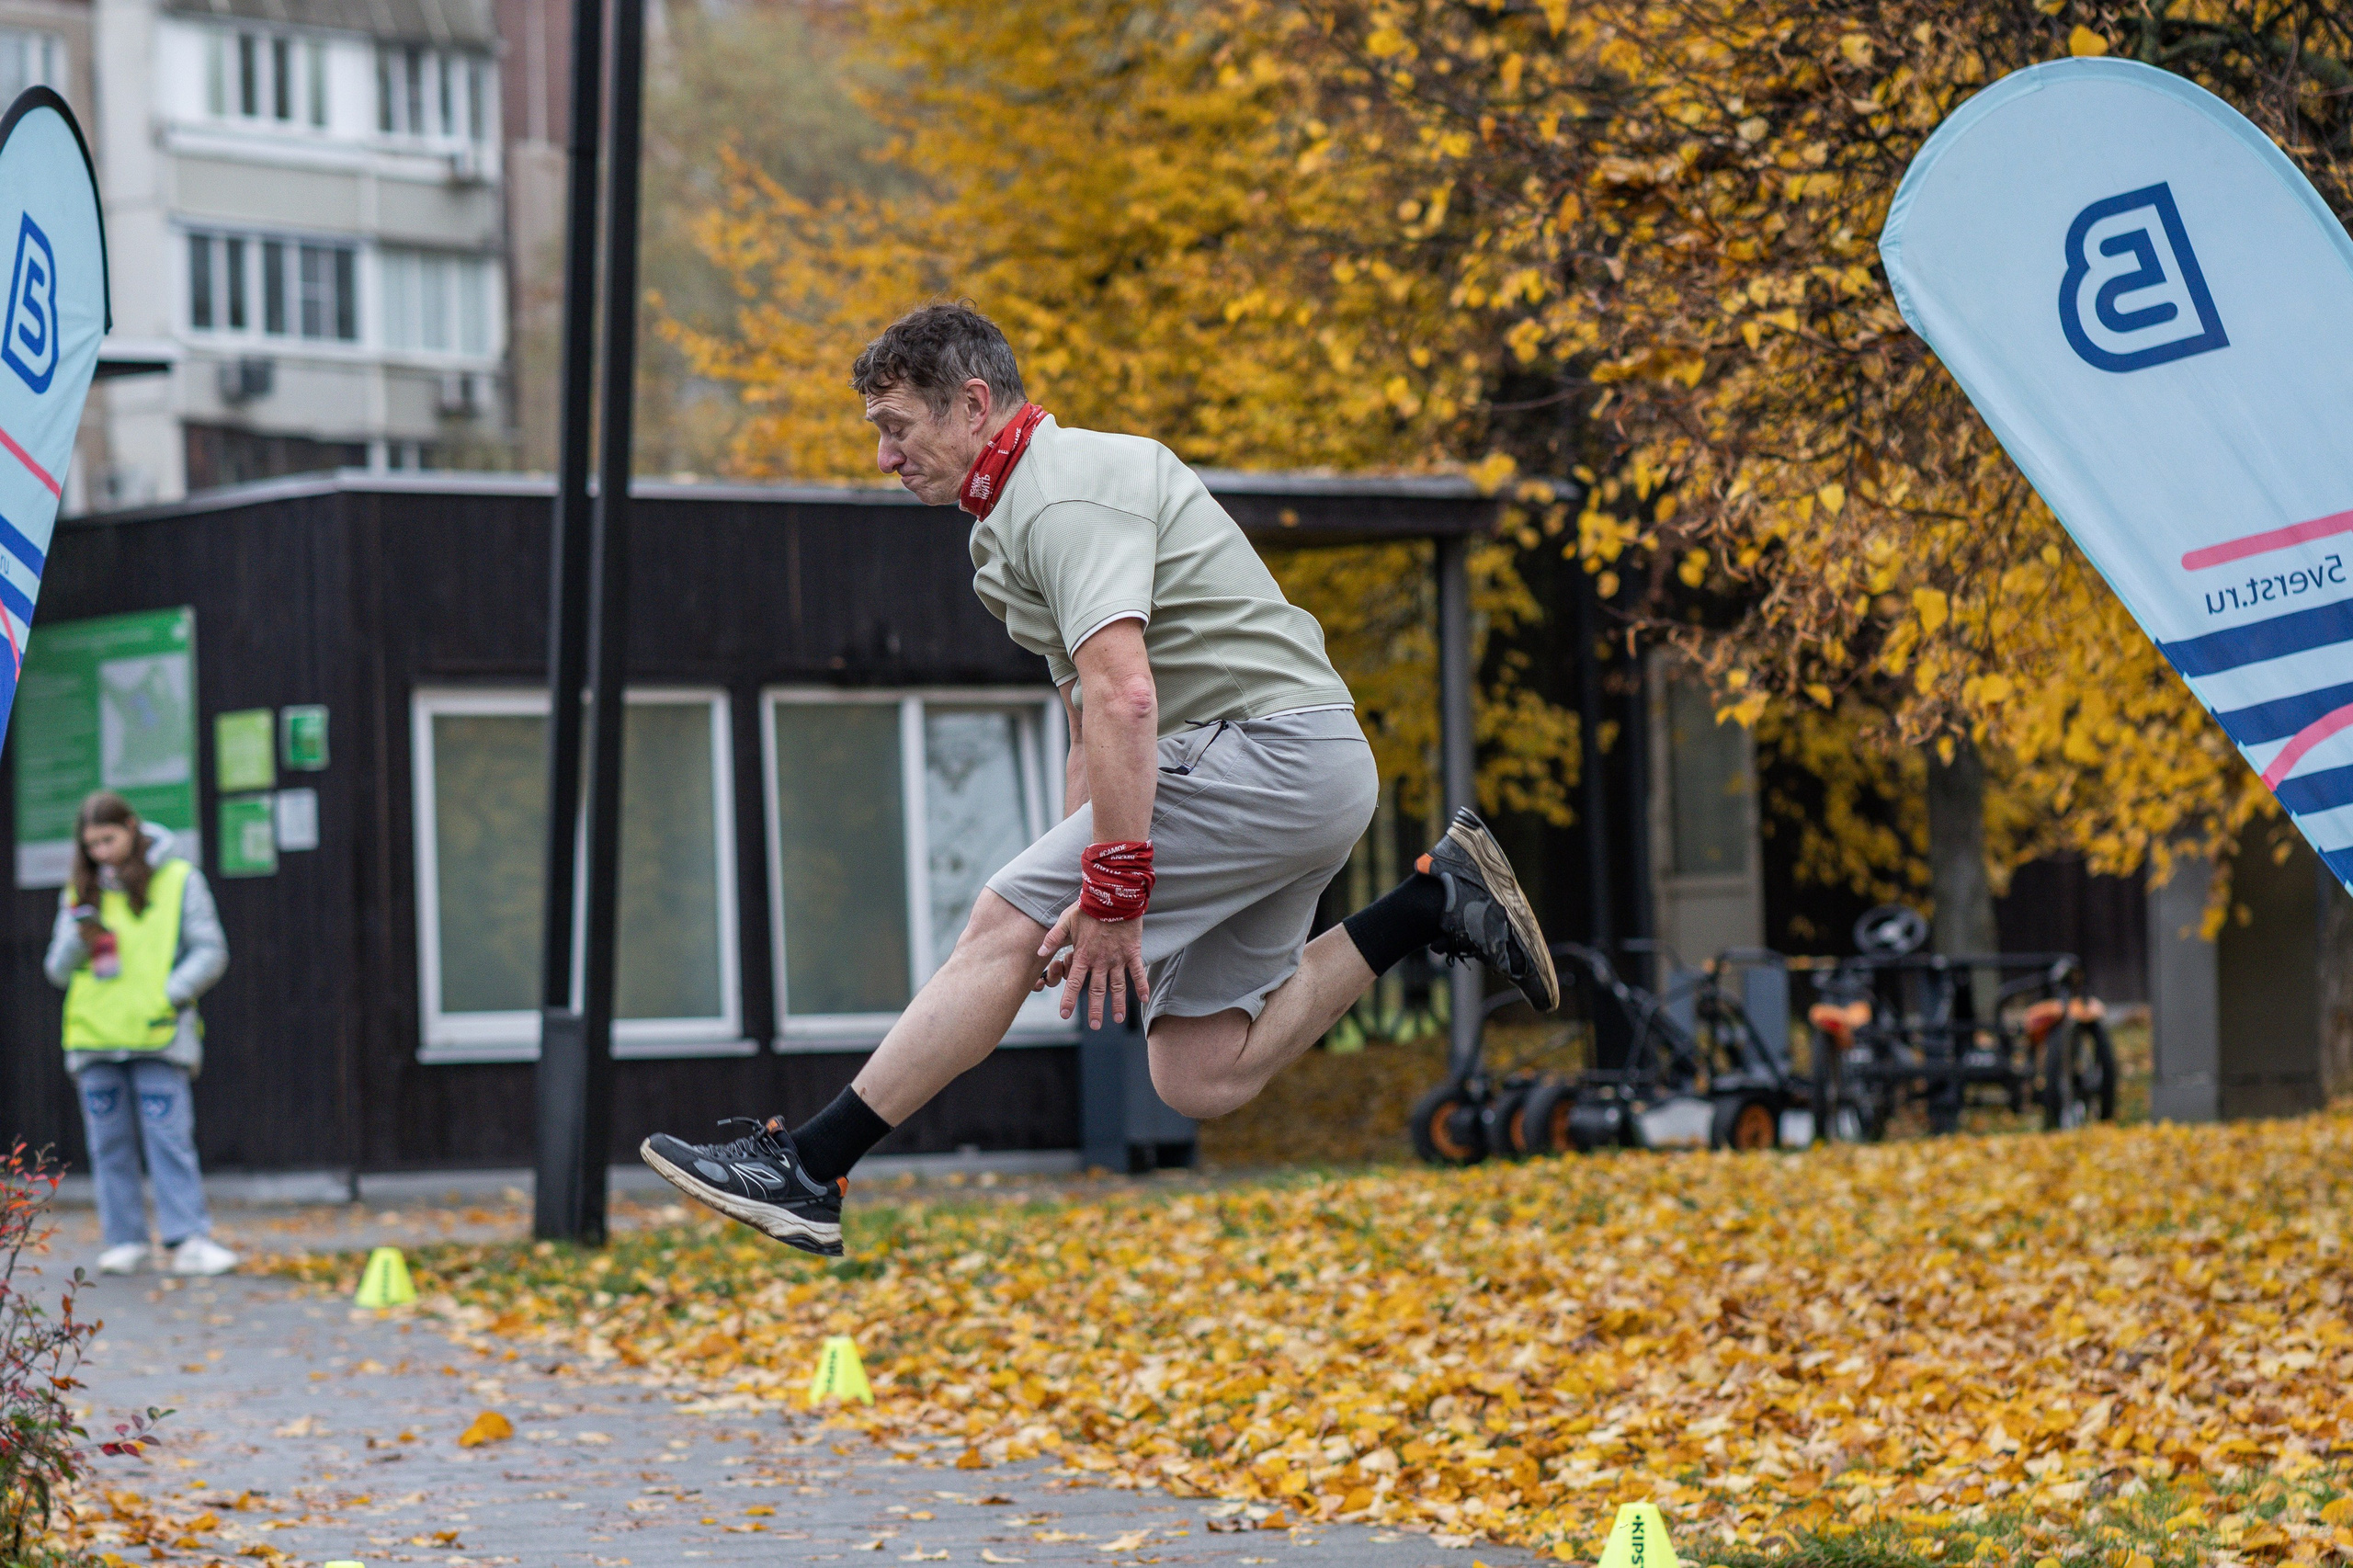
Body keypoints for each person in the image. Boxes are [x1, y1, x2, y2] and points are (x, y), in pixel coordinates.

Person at [642, 303, 1557, 1256]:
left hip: (1267, 755)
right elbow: (1089, 725)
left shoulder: (1063, 493)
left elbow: (1127, 698)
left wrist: (1111, 892)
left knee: (997, 921)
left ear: (972, 403)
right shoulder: (1005, 527)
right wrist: (1077, 885)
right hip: (1295, 772)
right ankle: (1430, 900)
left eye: (895, 427)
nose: (884, 455)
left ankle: (809, 1164)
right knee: (1201, 1073)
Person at [43, 792, 236, 1276]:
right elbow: (56, 971)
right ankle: (125, 1240)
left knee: (169, 1139)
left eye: (109, 839)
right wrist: (77, 936)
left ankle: (188, 1238)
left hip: (159, 1032)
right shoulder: (78, 891)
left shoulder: (178, 880)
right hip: (95, 1037)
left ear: (132, 828)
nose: (101, 853)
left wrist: (169, 992)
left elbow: (211, 951)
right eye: (91, 845)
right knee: (109, 1145)